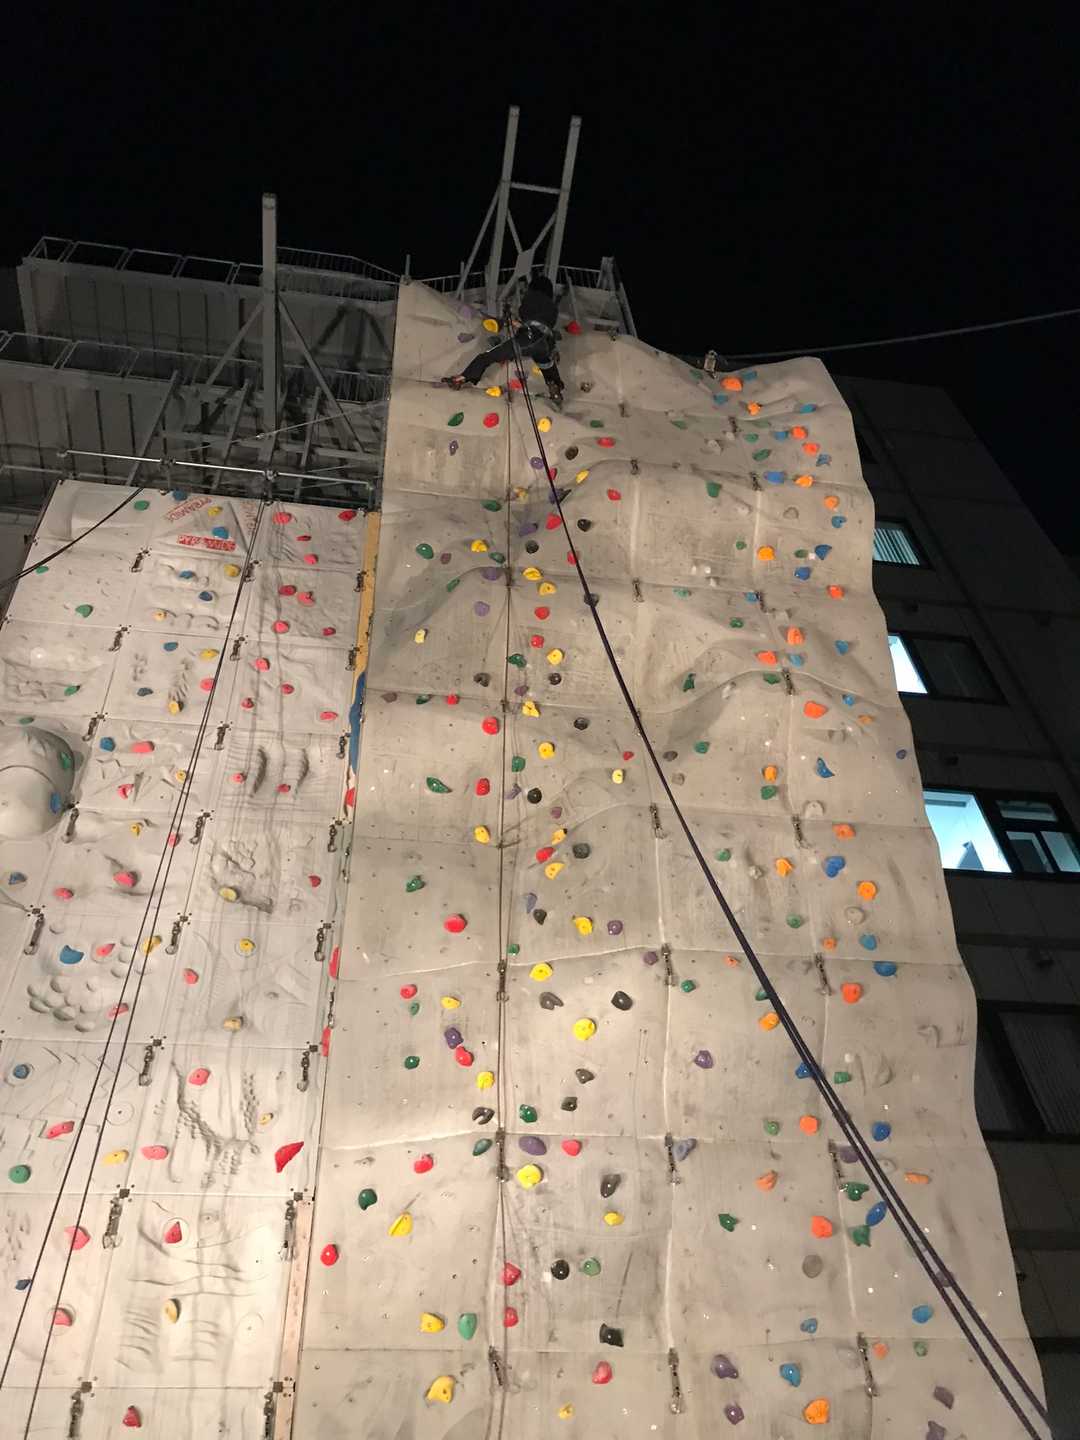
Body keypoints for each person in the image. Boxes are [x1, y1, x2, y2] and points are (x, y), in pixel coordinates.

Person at [445, 275, 565, 407]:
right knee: (546, 365)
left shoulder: (531, 298)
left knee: (487, 356)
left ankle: (462, 378)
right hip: (545, 343)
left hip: (527, 338)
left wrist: (509, 318)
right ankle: (555, 388)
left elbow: (524, 318)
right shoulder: (553, 308)